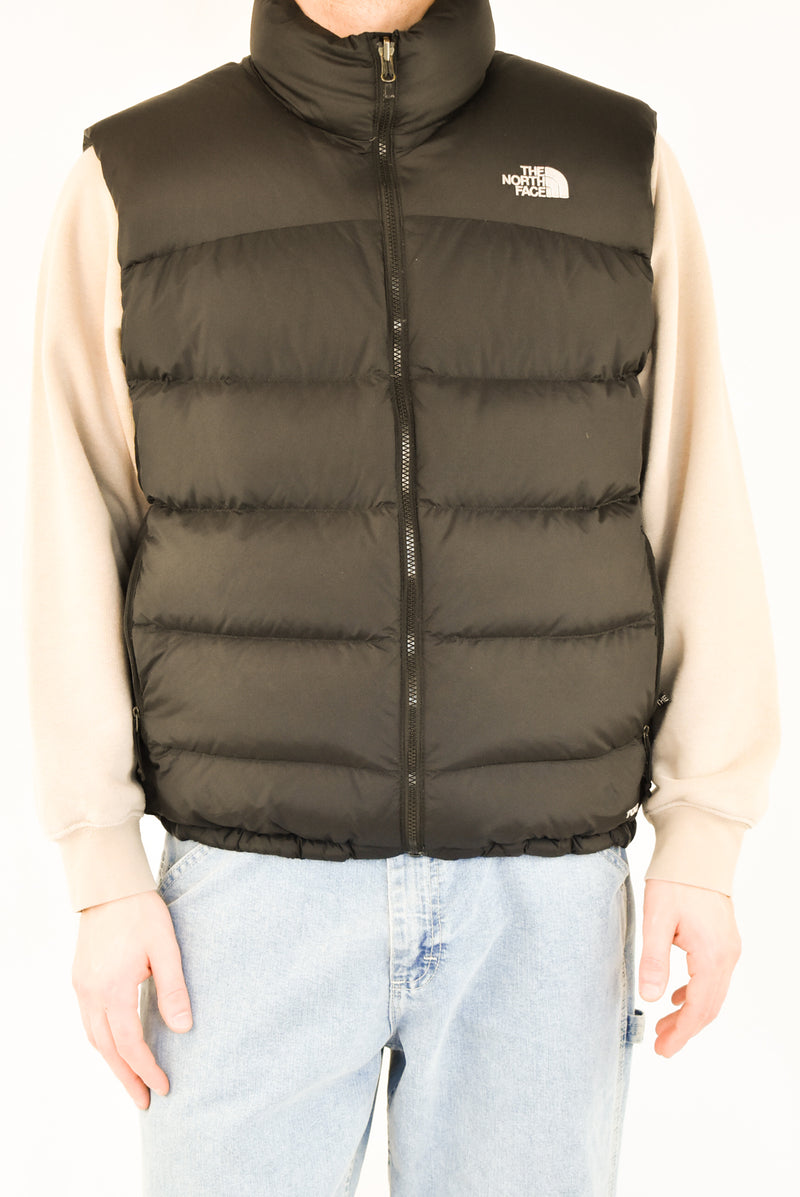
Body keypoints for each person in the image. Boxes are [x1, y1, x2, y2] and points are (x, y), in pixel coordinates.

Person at [24, 0, 780, 1193]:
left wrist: (703, 840)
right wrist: (100, 869)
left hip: (543, 898)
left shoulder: (608, 161)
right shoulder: (141, 177)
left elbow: (694, 495)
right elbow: (71, 529)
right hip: (241, 900)